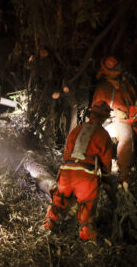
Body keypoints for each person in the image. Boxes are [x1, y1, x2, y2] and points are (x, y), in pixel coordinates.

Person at [44, 101, 113, 241]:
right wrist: (106, 176)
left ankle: (48, 225)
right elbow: (106, 161)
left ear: (91, 114)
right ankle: (86, 240)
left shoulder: (76, 130)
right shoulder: (103, 134)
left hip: (66, 172)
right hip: (86, 178)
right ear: (105, 117)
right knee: (87, 209)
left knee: (58, 201)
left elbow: (67, 152)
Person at [92, 56, 137, 185]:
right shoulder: (103, 88)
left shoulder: (124, 82)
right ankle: (124, 177)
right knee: (127, 138)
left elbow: (134, 98)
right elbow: (97, 111)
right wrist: (114, 112)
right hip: (115, 121)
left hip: (132, 117)